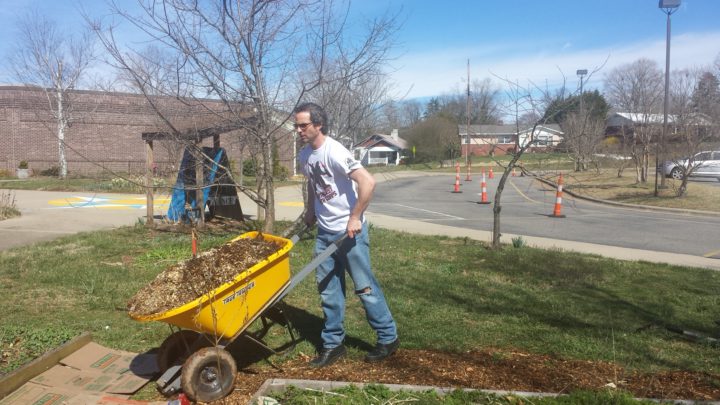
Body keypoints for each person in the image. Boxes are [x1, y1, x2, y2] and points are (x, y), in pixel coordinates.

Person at [294, 102, 399, 368]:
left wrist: (355, 217)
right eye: (296, 125)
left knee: (365, 288)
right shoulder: (305, 155)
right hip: (325, 233)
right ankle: (333, 344)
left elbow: (368, 181)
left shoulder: (335, 151)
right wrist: (310, 210)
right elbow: (312, 181)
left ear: (318, 125)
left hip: (349, 234)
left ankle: (388, 337)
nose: (298, 130)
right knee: (328, 291)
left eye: (303, 125)